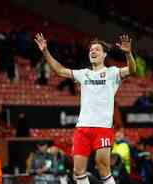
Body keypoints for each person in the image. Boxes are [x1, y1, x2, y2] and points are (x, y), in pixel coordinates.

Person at [34, 33, 136, 184]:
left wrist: (128, 53)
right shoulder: (83, 74)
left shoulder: (112, 73)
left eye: (96, 50)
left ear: (104, 54)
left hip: (102, 128)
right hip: (82, 128)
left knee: (103, 169)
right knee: (78, 171)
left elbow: (132, 70)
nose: (92, 52)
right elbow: (60, 71)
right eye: (91, 50)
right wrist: (45, 51)